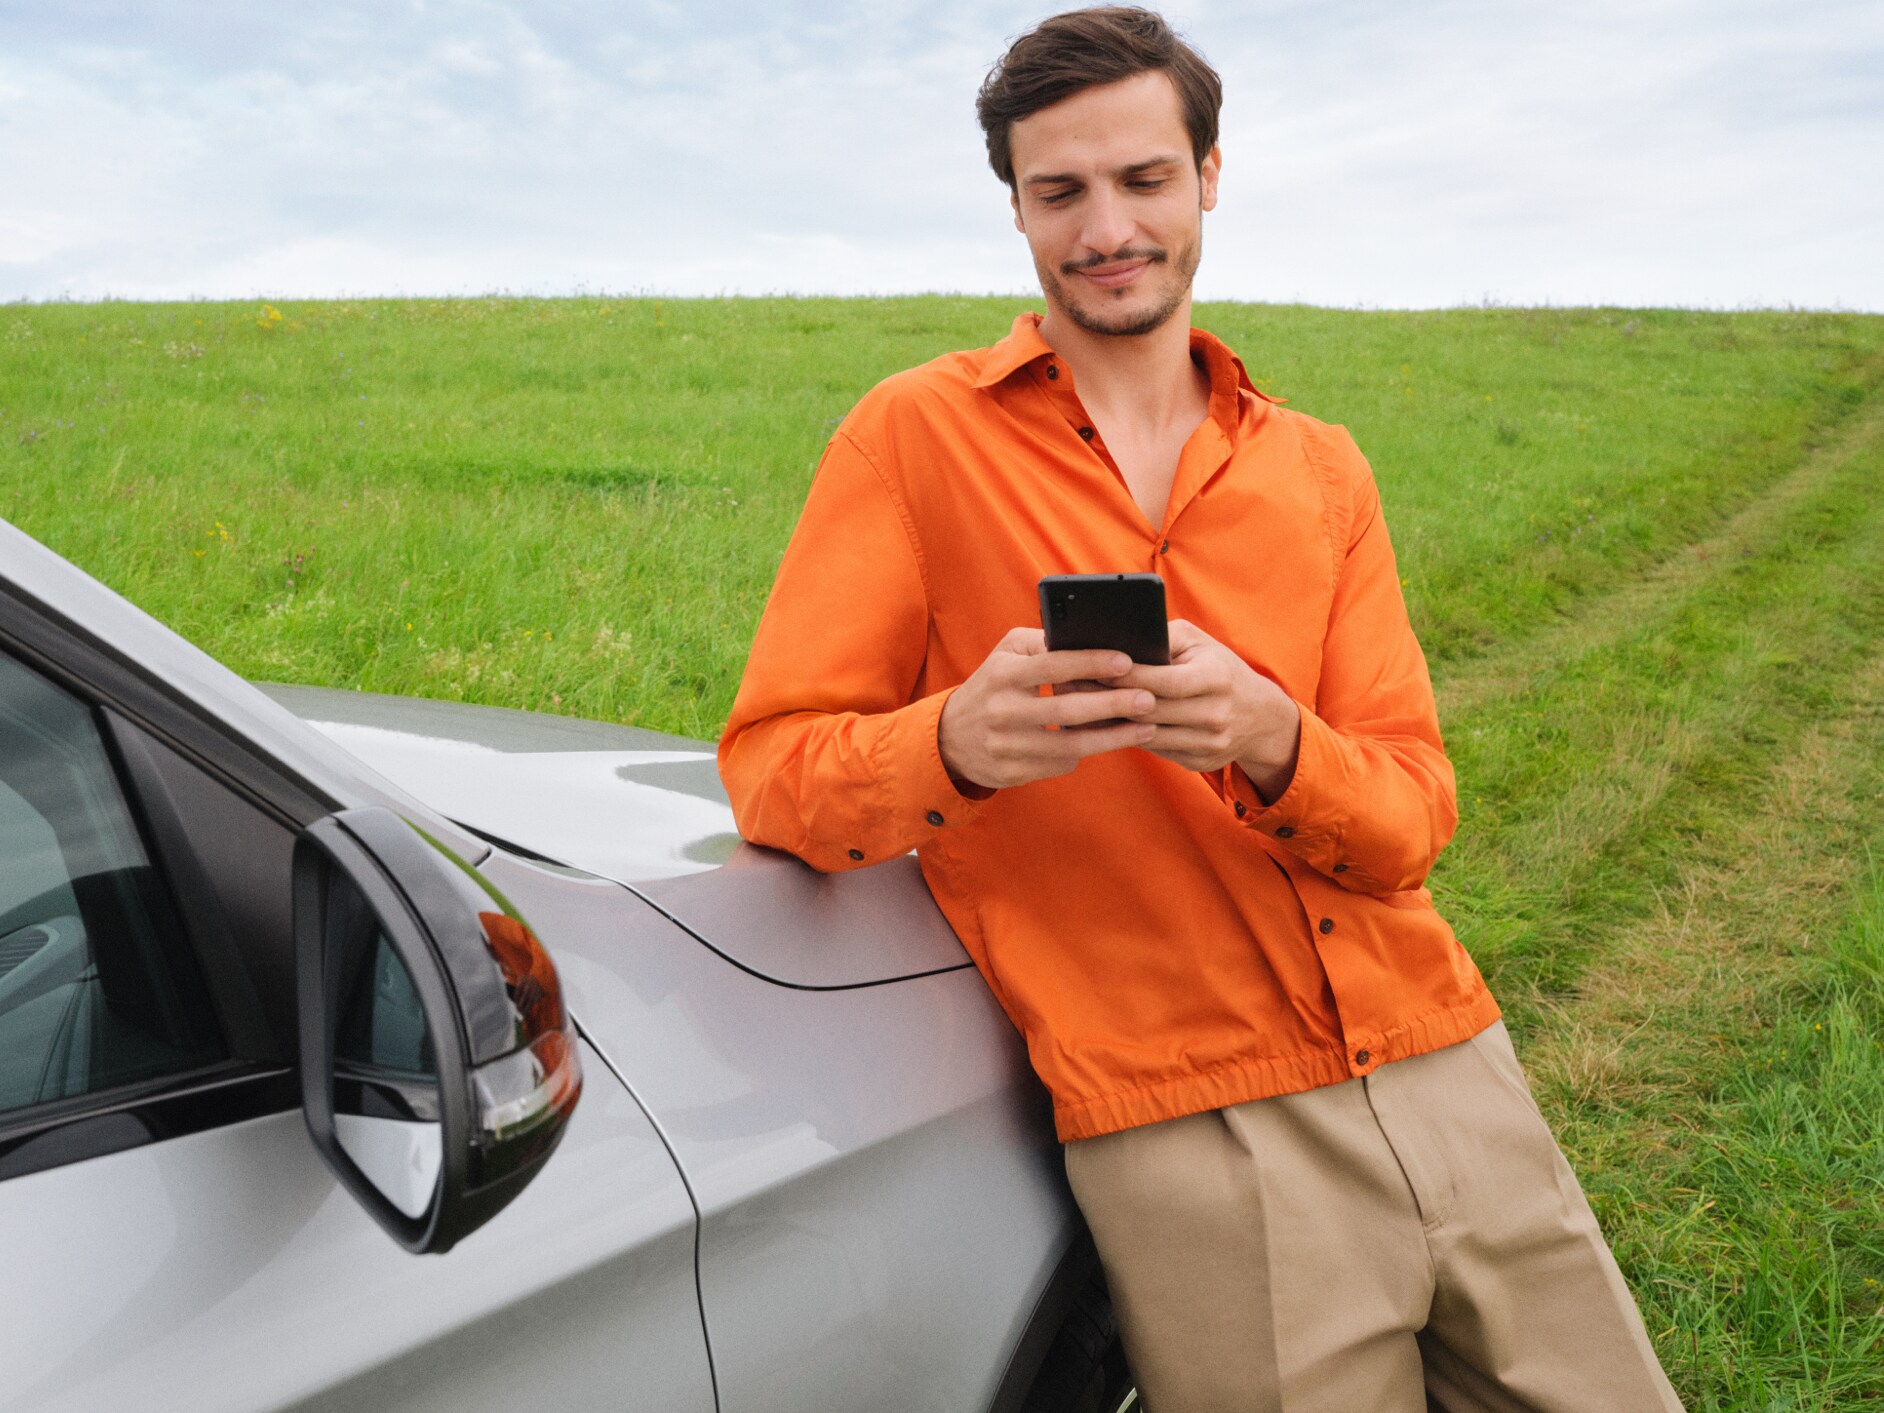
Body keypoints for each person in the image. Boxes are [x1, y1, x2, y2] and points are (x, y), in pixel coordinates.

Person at [718, 7, 1683, 1409]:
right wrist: (954, 746)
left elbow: (1413, 811)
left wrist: (1271, 737)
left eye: (1144, 180)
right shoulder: (912, 440)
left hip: (1450, 1062)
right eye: (1061, 192)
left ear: (1209, 177)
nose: (1106, 226)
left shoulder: (1320, 470)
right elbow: (771, 767)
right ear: (1017, 210)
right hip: (1189, 1121)